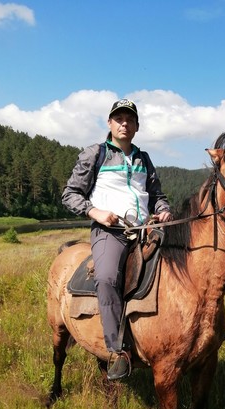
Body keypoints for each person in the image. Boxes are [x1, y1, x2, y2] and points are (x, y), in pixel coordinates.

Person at [62, 99, 173, 380]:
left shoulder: (144, 158)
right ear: (109, 123)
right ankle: (117, 351)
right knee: (107, 278)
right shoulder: (95, 153)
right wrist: (96, 212)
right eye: (119, 118)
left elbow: (157, 196)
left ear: (137, 126)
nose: (125, 123)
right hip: (111, 232)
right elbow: (70, 194)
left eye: (130, 119)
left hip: (145, 230)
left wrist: (163, 210)